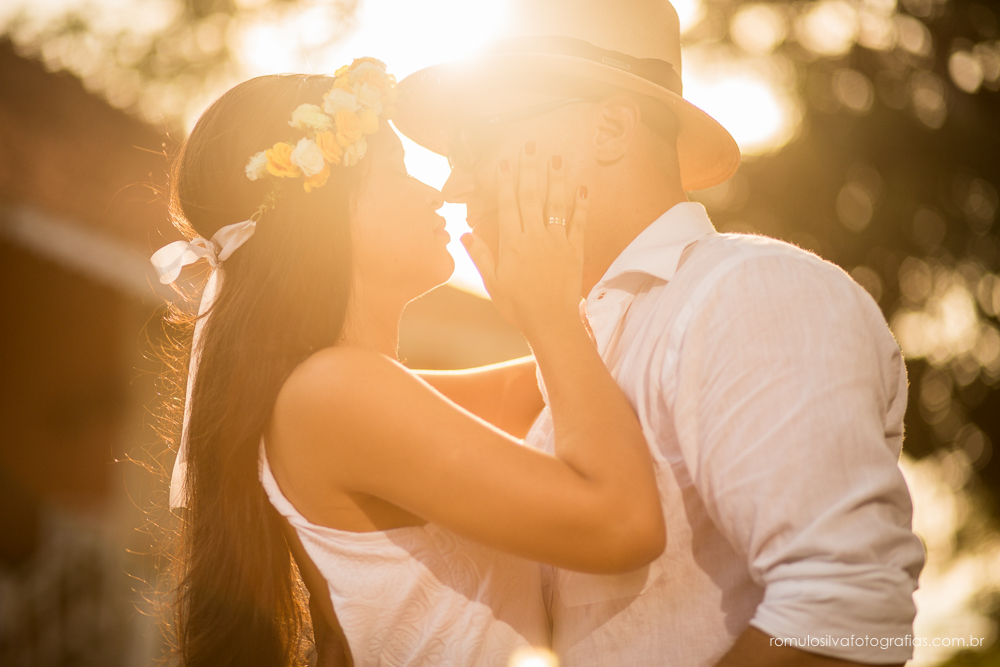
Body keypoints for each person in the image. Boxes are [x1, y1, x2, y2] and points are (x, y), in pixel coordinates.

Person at [391, 0, 926, 665]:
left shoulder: (747, 292)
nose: (453, 183)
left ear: (611, 128)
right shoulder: (581, 344)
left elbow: (845, 610)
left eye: (476, 140)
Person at [152, 62, 665, 667]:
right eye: (395, 169)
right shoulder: (333, 393)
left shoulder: (347, 394)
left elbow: (575, 377)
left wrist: (558, 303)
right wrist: (550, 315)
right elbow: (624, 525)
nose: (436, 191)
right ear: (322, 210)